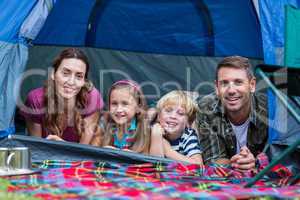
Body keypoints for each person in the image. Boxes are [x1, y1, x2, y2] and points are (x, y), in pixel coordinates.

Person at [196, 56, 268, 171]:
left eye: (238, 82)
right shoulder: (206, 109)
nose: (231, 90)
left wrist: (256, 162)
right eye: (224, 83)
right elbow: (213, 159)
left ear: (252, 85)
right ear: (217, 87)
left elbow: (278, 154)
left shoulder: (268, 110)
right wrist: (238, 163)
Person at [20, 48, 104, 145]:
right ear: (53, 74)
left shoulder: (92, 97)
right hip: (45, 157)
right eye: (65, 73)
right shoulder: (36, 99)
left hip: (78, 158)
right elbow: (37, 148)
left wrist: (62, 145)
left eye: (79, 76)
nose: (71, 82)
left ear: (83, 81)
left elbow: (83, 151)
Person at [96, 80, 150, 153]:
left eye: (125, 104)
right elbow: (94, 151)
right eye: (114, 103)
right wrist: (104, 151)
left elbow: (147, 159)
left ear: (138, 108)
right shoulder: (104, 123)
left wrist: (132, 157)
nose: (119, 109)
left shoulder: (144, 128)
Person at [150, 90, 203, 165]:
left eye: (180, 113)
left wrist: (168, 151)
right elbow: (156, 166)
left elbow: (198, 165)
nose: (173, 116)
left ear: (188, 122)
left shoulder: (188, 136)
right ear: (158, 116)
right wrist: (156, 137)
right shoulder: (152, 130)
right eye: (168, 111)